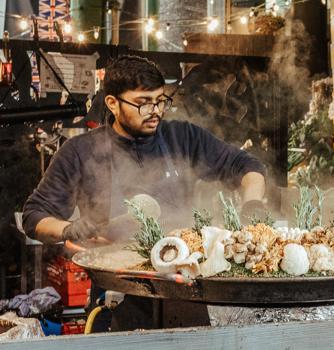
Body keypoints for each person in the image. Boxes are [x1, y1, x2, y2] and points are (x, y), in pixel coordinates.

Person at [22, 55, 266, 330]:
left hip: (184, 290)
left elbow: (246, 166)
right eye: (143, 103)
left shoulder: (183, 138)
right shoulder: (80, 152)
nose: (155, 111)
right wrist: (70, 229)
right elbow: (34, 216)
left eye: (160, 100)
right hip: (116, 291)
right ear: (112, 103)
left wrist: (252, 204)